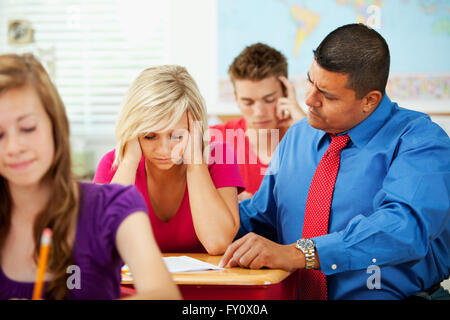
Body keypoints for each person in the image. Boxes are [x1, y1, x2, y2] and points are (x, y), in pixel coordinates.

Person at [219, 24, 450, 300]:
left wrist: (300, 253)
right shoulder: (297, 136)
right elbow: (261, 215)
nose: (308, 100)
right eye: (310, 81)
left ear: (369, 100)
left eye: (326, 95)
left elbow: (404, 228)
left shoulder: (420, 140)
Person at [0, 54, 181, 300]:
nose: (13, 147)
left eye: (28, 128)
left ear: (56, 125)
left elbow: (164, 296)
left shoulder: (113, 205)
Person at [93, 65, 244, 255]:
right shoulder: (113, 164)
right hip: (137, 284)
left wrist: (195, 165)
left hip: (205, 284)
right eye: (150, 136)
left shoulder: (219, 157)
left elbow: (218, 243)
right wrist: (129, 163)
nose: (164, 150)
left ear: (194, 128)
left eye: (176, 136)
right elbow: (100, 241)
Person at [210, 43, 305, 200]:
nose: (259, 112)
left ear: (286, 92)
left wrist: (305, 127)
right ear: (236, 98)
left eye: (269, 100)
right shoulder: (216, 139)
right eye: (248, 102)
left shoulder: (305, 137)